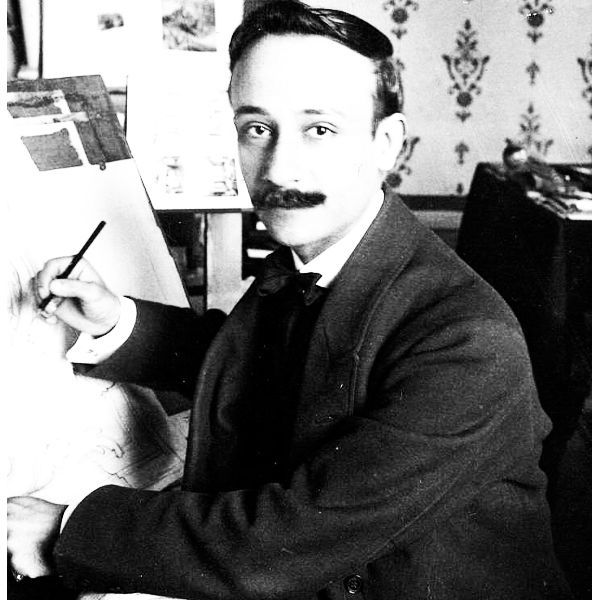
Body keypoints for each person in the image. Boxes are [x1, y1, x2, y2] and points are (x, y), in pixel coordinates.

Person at [7, 2, 572, 598]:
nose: (279, 168)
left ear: (386, 143)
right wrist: (116, 319)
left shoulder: (467, 339)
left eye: (319, 129)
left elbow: (289, 537)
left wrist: (68, 529)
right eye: (257, 128)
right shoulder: (314, 260)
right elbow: (264, 370)